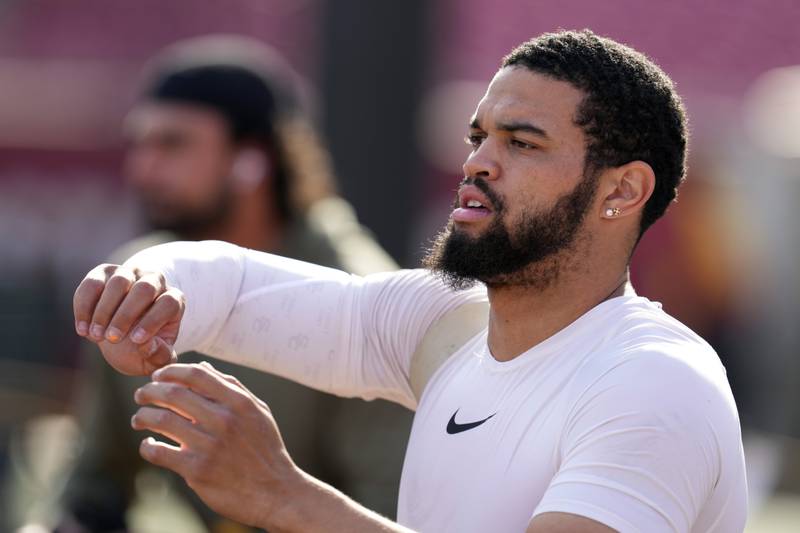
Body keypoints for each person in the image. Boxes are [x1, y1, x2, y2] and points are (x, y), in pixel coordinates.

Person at [73, 30, 747, 532]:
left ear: (623, 190)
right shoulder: (441, 321)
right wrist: (146, 289)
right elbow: (234, 283)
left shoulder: (655, 383)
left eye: (523, 142)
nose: (479, 161)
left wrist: (283, 495)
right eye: (477, 136)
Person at [53, 35, 410, 532]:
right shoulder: (134, 279)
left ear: (253, 161)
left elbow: (392, 513)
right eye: (140, 144)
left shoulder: (364, 301)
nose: (143, 168)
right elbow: (95, 492)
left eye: (173, 144)